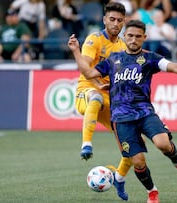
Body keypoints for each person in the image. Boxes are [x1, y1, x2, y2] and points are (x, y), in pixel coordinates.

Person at [68, 19, 177, 203]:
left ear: (144, 38)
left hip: (144, 113)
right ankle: (152, 192)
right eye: (130, 36)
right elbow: (88, 74)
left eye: (138, 36)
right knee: (137, 161)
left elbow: (174, 66)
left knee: (163, 144)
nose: (134, 39)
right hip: (121, 118)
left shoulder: (150, 58)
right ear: (124, 37)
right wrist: (75, 51)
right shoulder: (113, 60)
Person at [73, 2, 131, 201]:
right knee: (96, 97)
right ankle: (86, 144)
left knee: (133, 145)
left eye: (120, 21)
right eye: (112, 19)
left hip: (111, 100)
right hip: (87, 92)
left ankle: (117, 177)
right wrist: (99, 83)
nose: (116, 24)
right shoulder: (94, 39)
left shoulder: (124, 45)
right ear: (104, 19)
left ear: (124, 22)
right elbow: (86, 68)